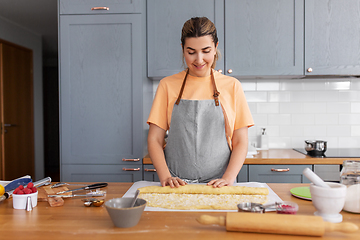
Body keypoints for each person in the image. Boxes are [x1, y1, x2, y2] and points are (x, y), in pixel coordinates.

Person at [147, 17, 254, 188]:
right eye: (191, 52)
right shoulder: (167, 85)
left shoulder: (232, 86)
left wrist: (228, 178)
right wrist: (165, 176)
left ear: (215, 48)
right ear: (182, 49)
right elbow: (154, 139)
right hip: (176, 185)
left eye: (206, 51)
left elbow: (240, 141)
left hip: (219, 184)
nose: (199, 59)